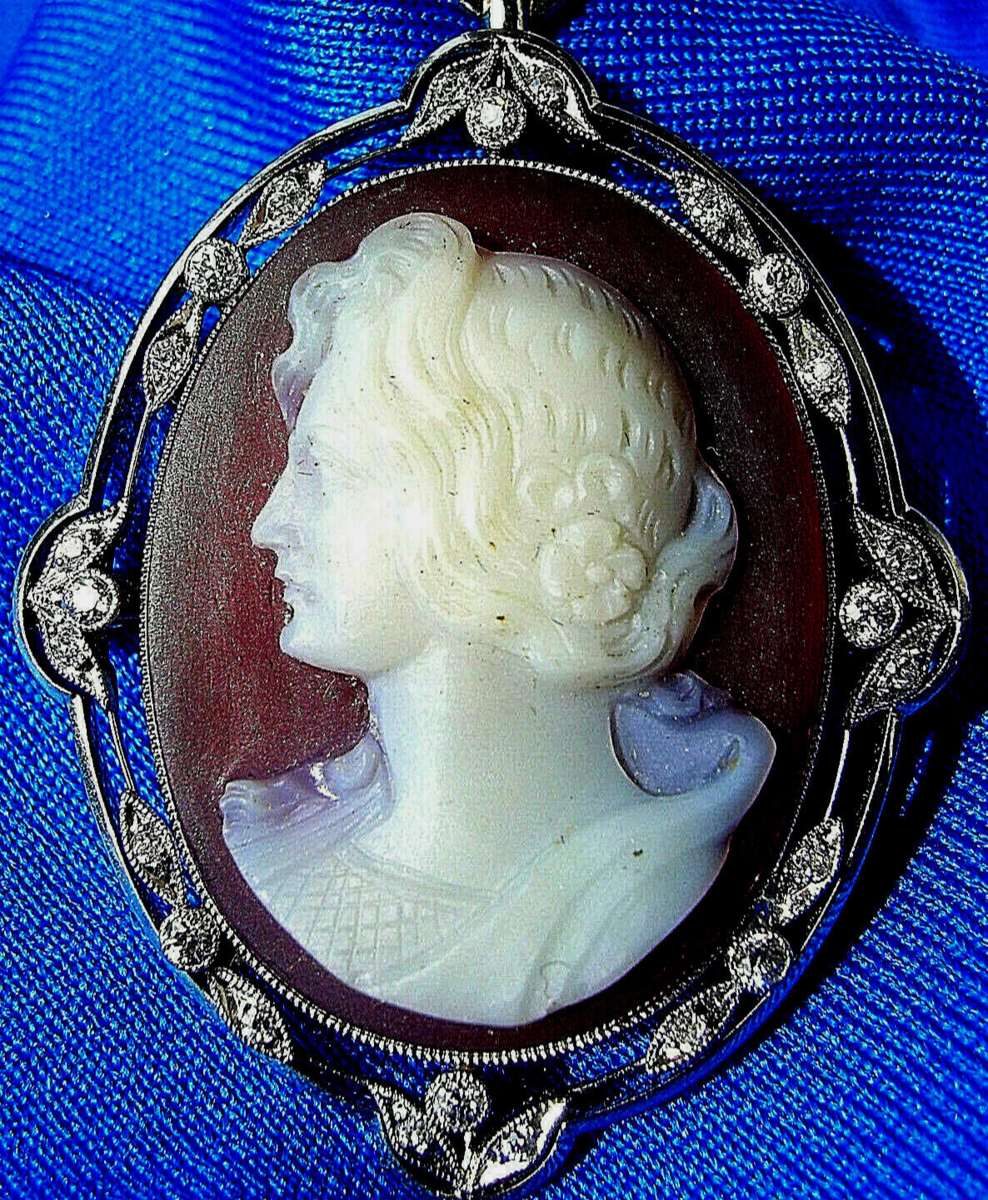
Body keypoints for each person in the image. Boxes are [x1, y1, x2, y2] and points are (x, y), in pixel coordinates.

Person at [221, 212, 775, 1027]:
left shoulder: (626, 903)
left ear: (497, 518)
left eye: (322, 470)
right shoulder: (280, 849)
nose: (268, 526)